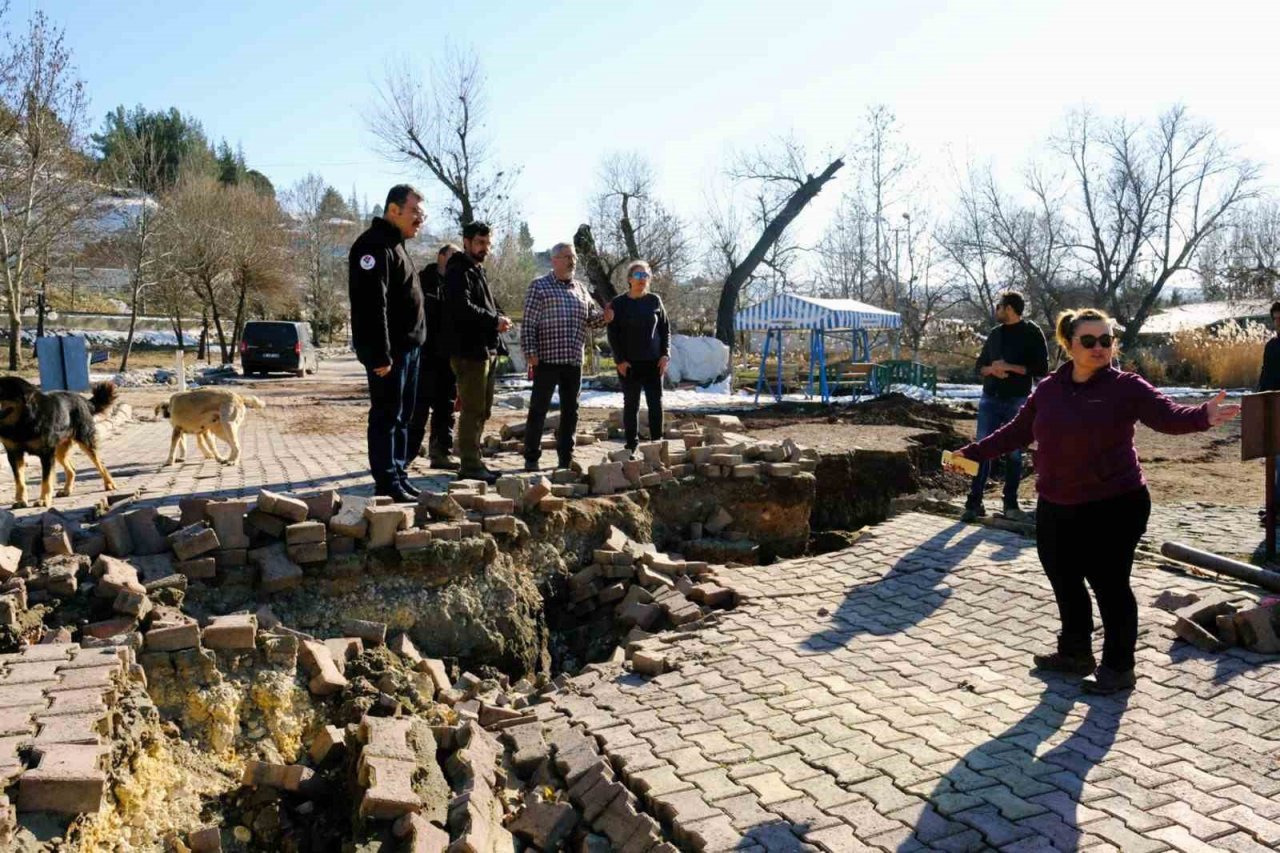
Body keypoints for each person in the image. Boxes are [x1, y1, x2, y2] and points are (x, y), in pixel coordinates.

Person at [948, 308, 1239, 694]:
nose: (1100, 347)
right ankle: (1075, 653)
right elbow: (1016, 432)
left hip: (1116, 502)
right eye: (1089, 341)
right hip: (1057, 502)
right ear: (1069, 345)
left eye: (1106, 340)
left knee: (1109, 583)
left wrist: (1204, 415)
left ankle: (1119, 669)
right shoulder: (1049, 389)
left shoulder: (1126, 386)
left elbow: (1167, 415)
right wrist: (972, 453)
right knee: (1064, 578)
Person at [348, 184, 427, 503]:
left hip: (409, 349)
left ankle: (399, 473)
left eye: (423, 213)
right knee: (387, 414)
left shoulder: (396, 245)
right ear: (394, 210)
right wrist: (378, 354)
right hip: (390, 353)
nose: (421, 220)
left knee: (404, 415)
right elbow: (370, 305)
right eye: (416, 213)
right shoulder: (373, 246)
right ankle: (386, 481)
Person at [520, 243, 613, 472]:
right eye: (566, 256)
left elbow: (590, 321)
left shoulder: (581, 289)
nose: (572, 261)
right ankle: (532, 457)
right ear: (554, 261)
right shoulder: (539, 286)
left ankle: (565, 458)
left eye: (573, 256)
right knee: (539, 409)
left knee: (571, 411)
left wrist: (606, 318)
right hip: (547, 359)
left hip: (573, 361)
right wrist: (530, 352)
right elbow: (529, 323)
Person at [964, 291, 1049, 523]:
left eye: (999, 306)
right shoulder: (995, 334)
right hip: (990, 397)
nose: (997, 310)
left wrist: (1009, 367)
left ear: (1010, 308)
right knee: (982, 448)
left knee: (1014, 451)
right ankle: (974, 502)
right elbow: (979, 366)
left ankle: (1010, 504)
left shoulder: (1032, 333)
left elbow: (1041, 369)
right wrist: (992, 370)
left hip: (1017, 400)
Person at [440, 221, 511, 483]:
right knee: (472, 409)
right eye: (480, 243)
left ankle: (475, 460)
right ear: (467, 242)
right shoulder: (459, 270)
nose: (485, 248)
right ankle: (469, 464)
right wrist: (494, 321)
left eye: (488, 243)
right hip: (469, 352)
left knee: (483, 410)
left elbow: (489, 305)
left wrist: (500, 317)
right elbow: (461, 307)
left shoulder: (476, 270)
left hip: (485, 349)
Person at [607, 260, 671, 455]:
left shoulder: (654, 301)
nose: (642, 279)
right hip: (629, 364)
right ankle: (630, 446)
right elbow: (613, 334)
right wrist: (619, 361)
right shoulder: (618, 303)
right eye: (637, 275)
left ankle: (656, 445)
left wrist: (665, 354)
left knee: (655, 403)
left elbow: (665, 329)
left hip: (654, 362)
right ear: (629, 279)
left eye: (645, 276)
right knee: (631, 404)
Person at [408, 243, 461, 470]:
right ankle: (407, 454)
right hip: (425, 356)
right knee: (418, 408)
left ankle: (440, 454)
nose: (456, 261)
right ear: (441, 256)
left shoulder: (457, 284)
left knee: (445, 408)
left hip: (448, 357)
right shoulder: (422, 280)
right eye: (452, 256)